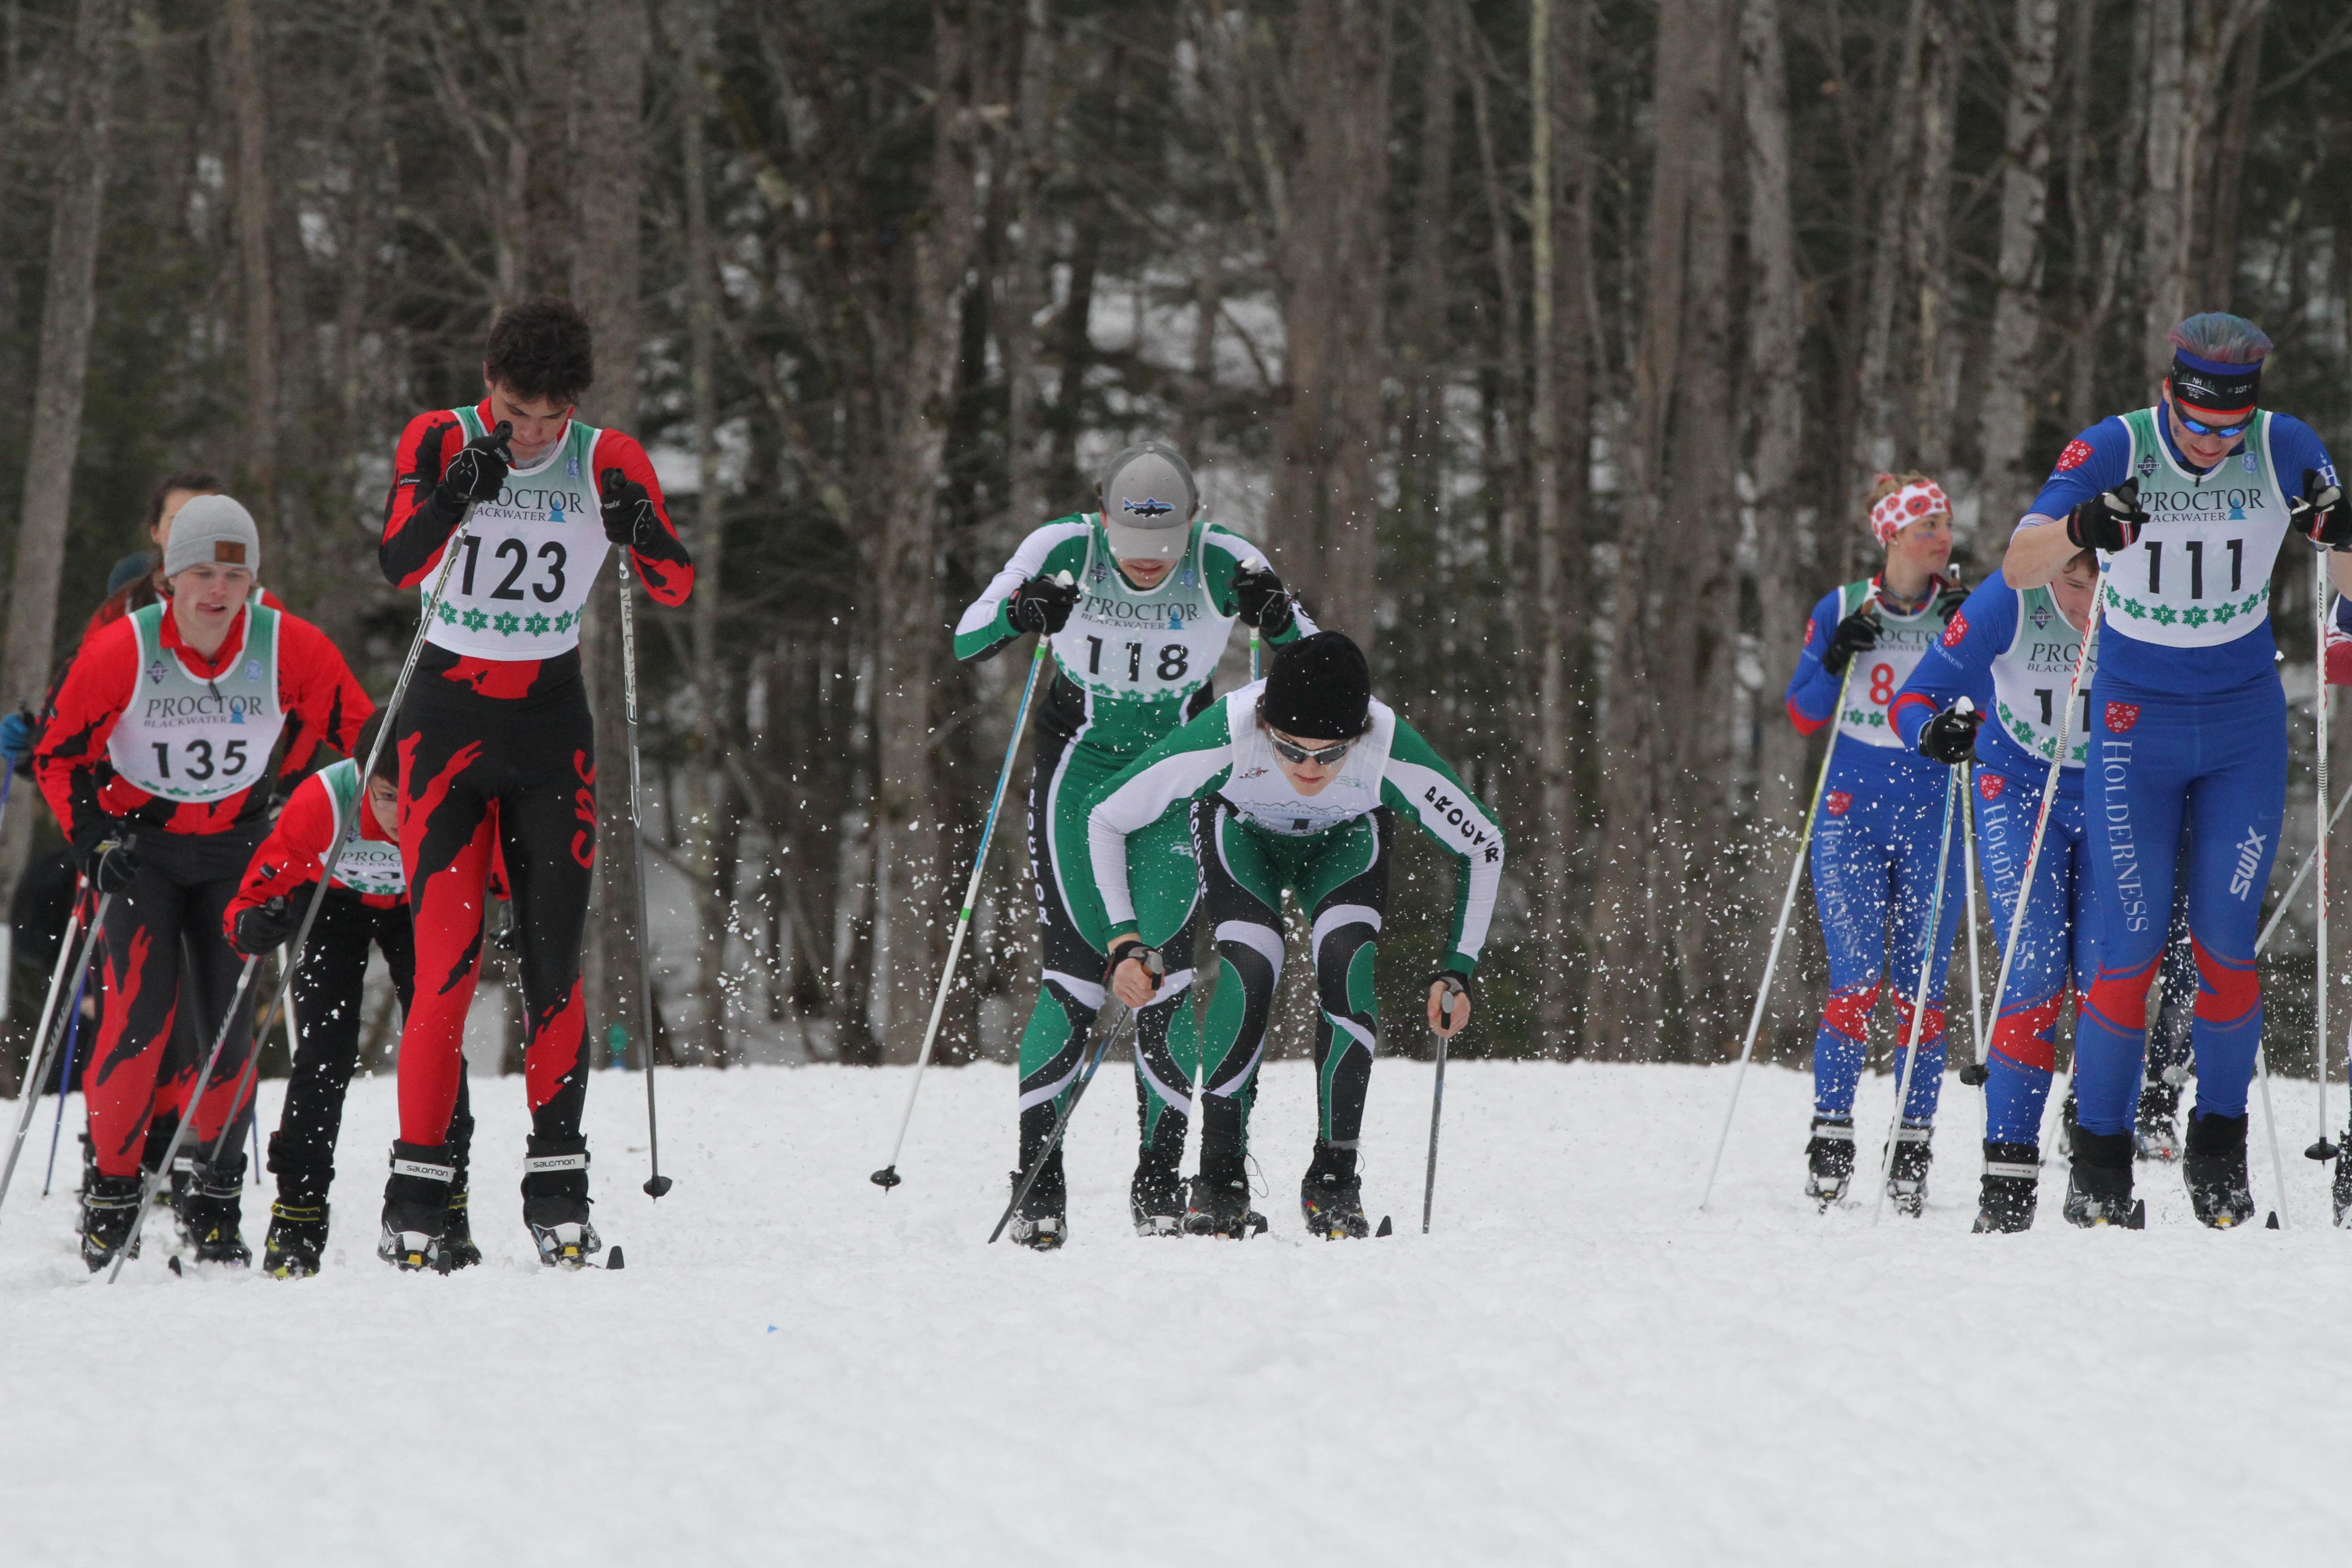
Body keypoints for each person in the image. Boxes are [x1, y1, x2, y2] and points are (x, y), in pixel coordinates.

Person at [2003, 310, 2350, 1228]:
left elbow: (2349, 578)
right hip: (2133, 719)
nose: (2210, 448)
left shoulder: (2284, 447)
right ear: (2171, 396)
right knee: (2131, 952)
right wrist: (2081, 520)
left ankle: (2219, 1152)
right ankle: (2102, 1163)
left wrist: (2342, 531)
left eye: (2228, 433)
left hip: (2241, 722)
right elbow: (2018, 560)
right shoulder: (2115, 444)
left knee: (2227, 952)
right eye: (2197, 429)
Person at [375, 296, 693, 1271]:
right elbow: (396, 562)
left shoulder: (608, 458)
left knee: (556, 958)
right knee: (447, 965)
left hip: (552, 725)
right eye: (518, 414)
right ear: (489, 386)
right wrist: (449, 497)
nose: (535, 435)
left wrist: (644, 532)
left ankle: (559, 1186)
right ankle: (417, 1193)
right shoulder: (438, 439)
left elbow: (677, 583)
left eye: (553, 417)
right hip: (445, 725)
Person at [952, 441, 1313, 1247]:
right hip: (1078, 776)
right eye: (1129, 552)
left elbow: (1317, 658)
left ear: (1193, 525)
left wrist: (1277, 611)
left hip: (1173, 779)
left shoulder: (1225, 560)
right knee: (1076, 976)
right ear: (1101, 521)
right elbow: (965, 637)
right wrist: (1022, 614)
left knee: (1164, 974)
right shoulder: (1060, 549)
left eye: (1162, 551)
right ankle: (1037, 1185)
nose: (1146, 566)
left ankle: (1159, 1185)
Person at [34, 495, 368, 1269]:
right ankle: (112, 1194)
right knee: (138, 1023)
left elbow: (365, 736)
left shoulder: (290, 646)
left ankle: (212, 1193)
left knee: (228, 1026)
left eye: (235, 574)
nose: (218, 592)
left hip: (238, 849)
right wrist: (91, 842)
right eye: (202, 574)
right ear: (171, 577)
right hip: (143, 852)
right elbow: (60, 754)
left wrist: (324, 813)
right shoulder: (125, 649)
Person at [1090, 632, 1500, 1239]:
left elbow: (1483, 843)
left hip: (1343, 844)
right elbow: (1105, 813)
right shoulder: (1225, 733)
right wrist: (1123, 939)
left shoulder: (1390, 748)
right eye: (1290, 749)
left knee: (1346, 959)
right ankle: (1219, 1178)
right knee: (1252, 962)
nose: (1309, 768)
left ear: (1359, 736)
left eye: (1331, 755)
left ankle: (1334, 1178)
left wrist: (1457, 968)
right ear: (1265, 722)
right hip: (1243, 838)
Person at [225, 709, 478, 1278]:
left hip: (418, 907)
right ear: (362, 775)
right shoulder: (324, 799)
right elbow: (257, 886)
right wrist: (252, 922)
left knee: (438, 1049)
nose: (398, 815)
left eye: (413, 797)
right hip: (332, 907)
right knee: (324, 1057)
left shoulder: (453, 790)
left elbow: (497, 864)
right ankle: (297, 1219)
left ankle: (447, 1205)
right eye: (385, 797)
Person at [1893, 549, 2101, 1229]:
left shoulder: (2144, 597)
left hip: (2115, 792)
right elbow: (1916, 695)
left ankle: (2102, 1169)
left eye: (2098, 583)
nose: (2084, 602)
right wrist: (1934, 730)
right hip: (2017, 788)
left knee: (2109, 977)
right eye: (2072, 583)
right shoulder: (2010, 594)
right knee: (2034, 965)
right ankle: (2007, 1185)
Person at [1782, 474, 1969, 1214]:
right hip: (1849, 813)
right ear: (1890, 537)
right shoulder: (1839, 606)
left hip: (1932, 814)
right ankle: (1830, 1135)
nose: (1939, 539)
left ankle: (1911, 1142)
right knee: (1855, 979)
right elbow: (1800, 716)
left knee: (1919, 989)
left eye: (1944, 526)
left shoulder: (1962, 607)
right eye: (1924, 527)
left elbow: (1992, 706)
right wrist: (1833, 655)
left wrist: (1973, 644)